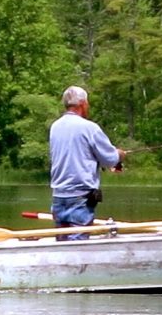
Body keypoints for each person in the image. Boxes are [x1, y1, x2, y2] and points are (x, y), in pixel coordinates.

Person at [49, 86, 126, 240]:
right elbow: (109, 158)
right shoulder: (89, 128)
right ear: (83, 104)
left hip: (58, 196)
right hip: (80, 198)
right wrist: (120, 155)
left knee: (62, 244)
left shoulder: (55, 127)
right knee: (77, 246)